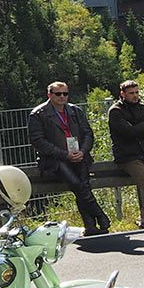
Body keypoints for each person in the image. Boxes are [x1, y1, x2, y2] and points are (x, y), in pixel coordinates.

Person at [28, 81, 110, 235]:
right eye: (58, 94)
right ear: (49, 95)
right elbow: (37, 141)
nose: (62, 97)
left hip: (79, 156)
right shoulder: (38, 114)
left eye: (65, 93)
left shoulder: (75, 111)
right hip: (54, 160)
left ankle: (91, 226)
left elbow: (88, 134)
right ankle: (100, 214)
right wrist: (64, 154)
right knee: (77, 184)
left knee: (83, 185)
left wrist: (83, 151)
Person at [107, 80, 144, 230]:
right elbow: (128, 133)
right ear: (123, 94)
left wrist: (139, 128)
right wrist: (142, 127)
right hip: (127, 155)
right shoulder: (115, 111)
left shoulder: (141, 108)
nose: (135, 96)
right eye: (131, 93)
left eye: (137, 92)